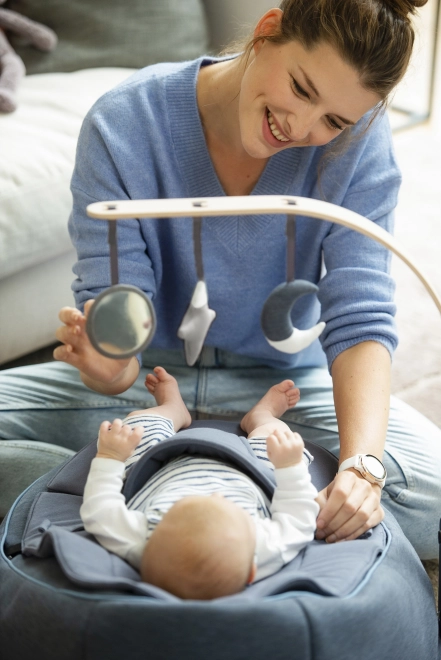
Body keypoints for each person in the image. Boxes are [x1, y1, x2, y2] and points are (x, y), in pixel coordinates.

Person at [1, 0, 440, 560]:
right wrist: (111, 368)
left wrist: (362, 468)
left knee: (431, 494)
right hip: (153, 387)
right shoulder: (123, 122)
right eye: (302, 89)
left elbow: (362, 313)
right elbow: (119, 317)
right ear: (267, 31)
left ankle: (134, 500)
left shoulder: (358, 143)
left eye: (334, 120)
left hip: (281, 392)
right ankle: (254, 501)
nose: (302, 129)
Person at [80, 366, 319, 599]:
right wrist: (289, 468)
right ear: (252, 572)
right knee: (278, 438)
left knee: (138, 427)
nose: (214, 495)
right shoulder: (260, 548)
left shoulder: (142, 541)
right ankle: (262, 417)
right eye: (225, 504)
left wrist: (110, 458)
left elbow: (100, 511)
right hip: (250, 469)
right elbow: (299, 518)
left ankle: (172, 410)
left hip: (162, 464)